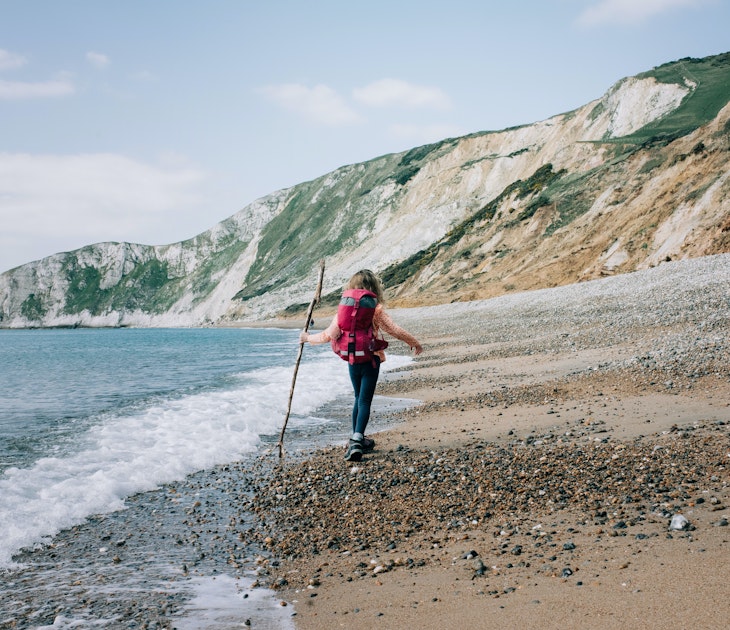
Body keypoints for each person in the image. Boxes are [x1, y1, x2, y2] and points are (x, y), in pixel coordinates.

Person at [300, 269, 423, 462]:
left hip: (352, 359)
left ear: (351, 287)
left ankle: (357, 437)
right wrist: (413, 342)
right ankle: (358, 438)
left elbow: (328, 335)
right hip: (371, 359)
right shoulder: (376, 309)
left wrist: (307, 338)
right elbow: (394, 330)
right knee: (365, 400)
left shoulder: (344, 310)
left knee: (358, 397)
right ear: (374, 287)